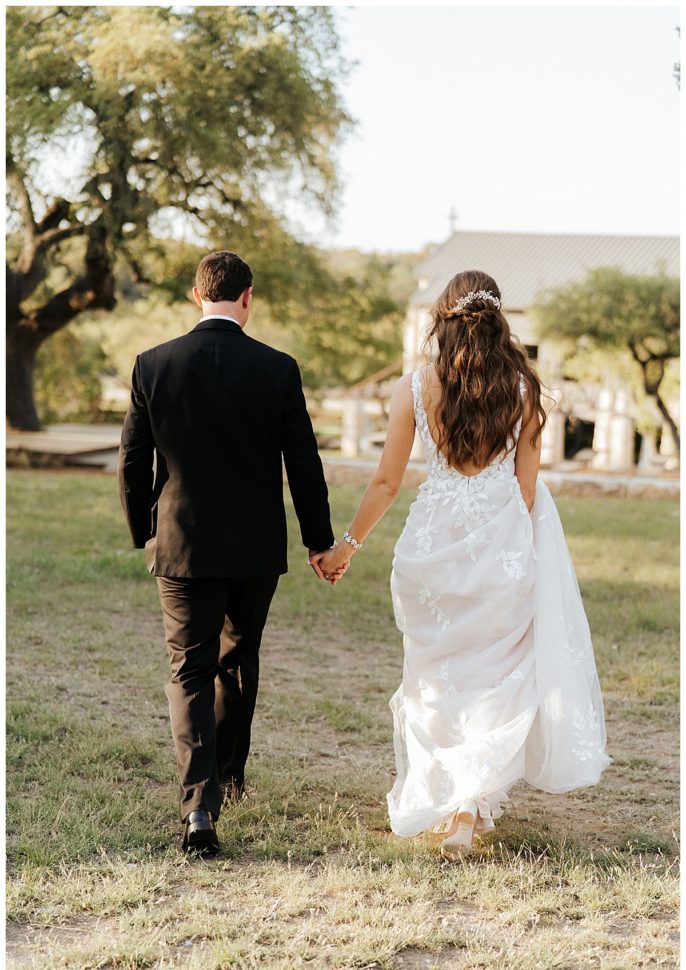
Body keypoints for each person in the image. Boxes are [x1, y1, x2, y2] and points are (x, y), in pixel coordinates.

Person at [313, 269, 611, 860]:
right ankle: (467, 809)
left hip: (432, 549)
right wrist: (511, 549)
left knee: (434, 674)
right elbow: (527, 491)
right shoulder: (526, 389)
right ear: (498, 319)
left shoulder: (414, 387)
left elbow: (387, 479)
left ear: (441, 320)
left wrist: (347, 544)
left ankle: (452, 800)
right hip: (500, 547)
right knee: (497, 676)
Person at [118, 250, 343, 856]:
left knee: (188, 670)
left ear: (197, 296)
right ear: (247, 298)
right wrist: (319, 541)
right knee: (238, 658)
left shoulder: (153, 364)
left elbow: (134, 463)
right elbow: (304, 464)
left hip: (181, 541)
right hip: (254, 547)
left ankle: (199, 808)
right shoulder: (278, 368)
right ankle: (230, 776)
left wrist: (145, 529)